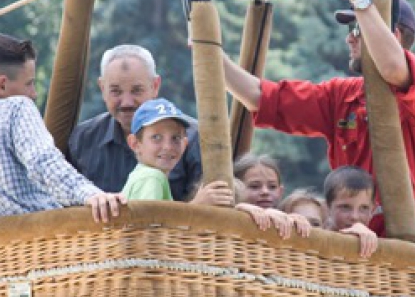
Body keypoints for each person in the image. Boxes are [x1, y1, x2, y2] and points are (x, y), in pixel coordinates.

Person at [222, 0, 415, 245]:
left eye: (356, 28)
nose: (349, 37)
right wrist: (206, 50)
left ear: (392, 35)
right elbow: (265, 97)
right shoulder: (343, 96)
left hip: (400, 256)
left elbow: (395, 68)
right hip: (347, 248)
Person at [0, 34, 124, 229]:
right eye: (29, 83)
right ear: (2, 85)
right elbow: (43, 162)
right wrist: (90, 194)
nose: (33, 93)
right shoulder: (16, 107)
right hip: (45, 245)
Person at [124, 100, 310, 240]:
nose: (167, 146)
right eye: (156, 137)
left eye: (175, 138)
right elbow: (150, 229)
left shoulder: (151, 176)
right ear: (135, 143)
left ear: (185, 144)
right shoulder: (151, 177)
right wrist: (198, 206)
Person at [68, 45, 202, 201]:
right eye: (116, 91)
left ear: (155, 86)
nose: (127, 102)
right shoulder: (83, 139)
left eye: (137, 90)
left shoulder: (194, 137)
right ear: (102, 88)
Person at [323, 167, 379, 259]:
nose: (354, 216)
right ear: (327, 207)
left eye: (364, 208)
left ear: (373, 210)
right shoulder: (315, 233)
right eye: (345, 207)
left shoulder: (376, 246)